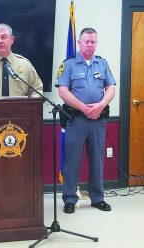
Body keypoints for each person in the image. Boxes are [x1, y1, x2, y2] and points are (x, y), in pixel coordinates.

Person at [55, 28, 116, 214]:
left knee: (97, 159)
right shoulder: (69, 64)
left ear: (96, 43)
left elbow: (111, 86)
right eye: (86, 42)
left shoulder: (102, 63)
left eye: (93, 42)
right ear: (79, 43)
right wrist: (84, 108)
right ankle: (70, 199)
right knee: (72, 160)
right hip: (77, 119)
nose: (90, 45)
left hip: (98, 119)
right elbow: (63, 91)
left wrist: (100, 105)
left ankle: (97, 198)